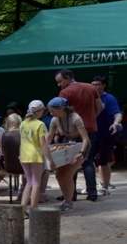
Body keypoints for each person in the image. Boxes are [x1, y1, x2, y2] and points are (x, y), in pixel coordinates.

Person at [55, 69, 103, 201]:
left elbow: (62, 113)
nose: (59, 84)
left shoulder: (65, 92)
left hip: (72, 130)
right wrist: (92, 118)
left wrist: (60, 131)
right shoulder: (90, 87)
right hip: (91, 128)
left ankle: (71, 194)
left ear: (68, 77)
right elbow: (100, 106)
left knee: (71, 161)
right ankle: (92, 193)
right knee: (88, 160)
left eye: (60, 81)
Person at [46, 97, 90, 214]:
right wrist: (43, 150)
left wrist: (81, 153)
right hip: (68, 144)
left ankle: (69, 202)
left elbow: (85, 138)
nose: (51, 113)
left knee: (67, 174)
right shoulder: (55, 120)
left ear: (61, 109)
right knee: (59, 174)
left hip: (81, 145)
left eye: (52, 110)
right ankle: (66, 200)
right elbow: (49, 138)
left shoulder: (75, 118)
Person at [19, 100, 56, 217]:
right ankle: (34, 209)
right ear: (40, 111)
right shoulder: (40, 125)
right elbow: (43, 144)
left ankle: (23, 209)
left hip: (24, 156)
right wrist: (51, 160)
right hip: (35, 156)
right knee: (36, 183)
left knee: (29, 183)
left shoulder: (22, 123)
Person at [91, 75, 122, 195]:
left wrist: (115, 123)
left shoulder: (109, 99)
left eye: (97, 84)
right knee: (88, 159)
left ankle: (105, 187)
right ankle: (91, 186)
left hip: (107, 134)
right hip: (93, 133)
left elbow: (117, 114)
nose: (94, 87)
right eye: (92, 84)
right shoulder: (89, 97)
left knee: (103, 161)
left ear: (103, 85)